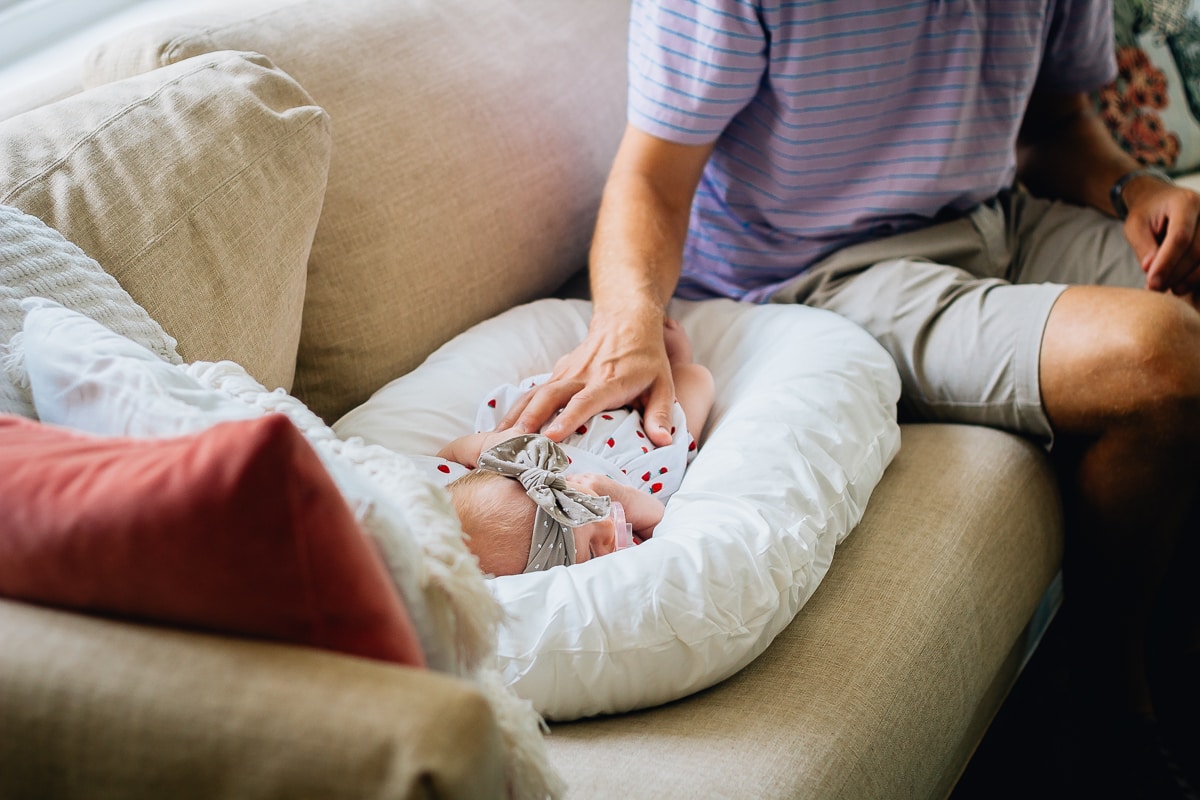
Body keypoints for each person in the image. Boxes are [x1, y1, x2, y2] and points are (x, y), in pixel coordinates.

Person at [497, 1, 1199, 791]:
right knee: (1159, 356)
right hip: (824, 270)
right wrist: (629, 322)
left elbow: (1056, 121)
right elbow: (653, 177)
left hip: (998, 220)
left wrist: (1134, 187)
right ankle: (1109, 692)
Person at [435, 318, 714, 577]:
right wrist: (625, 499)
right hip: (642, 455)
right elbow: (660, 524)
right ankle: (676, 365)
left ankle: (629, 346)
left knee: (571, 376)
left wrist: (487, 444)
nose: (606, 530)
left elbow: (450, 456)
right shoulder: (620, 551)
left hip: (565, 418)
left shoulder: (506, 459)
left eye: (580, 504)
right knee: (696, 381)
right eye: (592, 551)